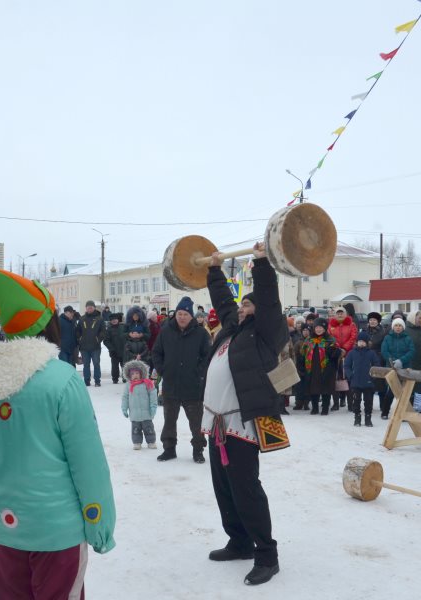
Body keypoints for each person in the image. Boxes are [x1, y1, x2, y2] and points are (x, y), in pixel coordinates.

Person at [0, 266, 116, 596]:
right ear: (49, 322)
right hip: (55, 532)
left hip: (4, 530)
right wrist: (99, 524)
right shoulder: (62, 379)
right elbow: (88, 463)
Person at [201, 242, 286, 586]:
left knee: (246, 490)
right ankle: (239, 542)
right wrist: (214, 269)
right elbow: (223, 300)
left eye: (247, 303)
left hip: (244, 423)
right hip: (218, 425)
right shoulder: (231, 330)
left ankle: (266, 554)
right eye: (241, 303)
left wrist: (262, 261)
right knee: (224, 489)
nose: (241, 307)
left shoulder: (266, 334)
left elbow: (267, 297)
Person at [152, 296, 211, 463]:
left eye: (185, 314)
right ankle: (169, 449)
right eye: (179, 313)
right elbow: (156, 352)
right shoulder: (166, 331)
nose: (182, 317)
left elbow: (207, 356)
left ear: (191, 316)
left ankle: (198, 450)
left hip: (193, 386)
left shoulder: (200, 333)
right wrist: (163, 370)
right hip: (171, 385)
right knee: (169, 420)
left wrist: (198, 373)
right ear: (175, 314)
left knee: (196, 422)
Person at [298, 318, 340, 415]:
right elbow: (302, 353)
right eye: (317, 327)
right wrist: (302, 366)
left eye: (321, 327)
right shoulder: (309, 339)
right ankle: (315, 408)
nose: (319, 329)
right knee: (313, 388)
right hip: (312, 368)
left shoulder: (330, 339)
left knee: (326, 388)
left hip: (327, 368)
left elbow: (336, 354)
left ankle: (325, 408)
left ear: (325, 328)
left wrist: (333, 352)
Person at [343, 331, 381, 426]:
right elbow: (346, 366)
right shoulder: (352, 353)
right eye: (360, 341)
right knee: (356, 401)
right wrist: (350, 375)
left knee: (368, 401)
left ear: (367, 342)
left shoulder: (371, 353)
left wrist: (372, 377)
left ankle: (368, 418)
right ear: (357, 342)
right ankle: (357, 418)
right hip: (355, 382)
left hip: (368, 382)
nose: (362, 343)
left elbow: (377, 365)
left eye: (364, 341)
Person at [380, 318, 415, 418]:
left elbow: (411, 351)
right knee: (391, 391)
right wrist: (393, 361)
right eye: (396, 325)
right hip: (392, 368)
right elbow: (384, 351)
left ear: (403, 327)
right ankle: (385, 412)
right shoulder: (387, 338)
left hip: (405, 368)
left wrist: (401, 360)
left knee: (405, 392)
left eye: (400, 325)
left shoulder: (408, 338)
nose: (398, 327)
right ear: (393, 327)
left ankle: (404, 414)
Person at [121, 360, 159, 450]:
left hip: (147, 413)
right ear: (129, 375)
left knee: (149, 429)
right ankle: (137, 442)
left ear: (142, 373)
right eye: (133, 374)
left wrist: (153, 407)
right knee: (135, 430)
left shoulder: (147, 383)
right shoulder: (128, 385)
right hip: (135, 414)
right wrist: (124, 408)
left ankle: (151, 442)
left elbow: (153, 395)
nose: (135, 375)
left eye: (137, 373)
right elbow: (125, 397)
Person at [329, 307, 357, 410]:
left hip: (348, 354)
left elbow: (353, 337)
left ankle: (350, 404)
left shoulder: (351, 324)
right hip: (335, 354)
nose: (340, 315)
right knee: (335, 378)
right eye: (338, 313)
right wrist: (338, 349)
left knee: (348, 378)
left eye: (342, 313)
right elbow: (330, 338)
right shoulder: (331, 325)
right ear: (335, 315)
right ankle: (336, 403)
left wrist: (345, 348)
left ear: (345, 314)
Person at [77, 300, 106, 387]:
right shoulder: (82, 318)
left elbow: (103, 331)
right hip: (84, 347)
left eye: (91, 307)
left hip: (95, 347)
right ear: (86, 308)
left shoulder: (99, 318)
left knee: (96, 364)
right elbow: (78, 331)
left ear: (94, 308)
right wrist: (80, 339)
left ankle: (97, 381)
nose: (89, 309)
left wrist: (98, 339)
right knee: (86, 365)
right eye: (88, 307)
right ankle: (87, 381)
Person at [103, 312, 127, 383]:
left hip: (124, 350)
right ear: (110, 321)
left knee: (124, 365)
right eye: (112, 320)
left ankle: (125, 377)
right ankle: (115, 378)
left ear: (118, 320)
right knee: (114, 366)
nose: (114, 321)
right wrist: (111, 349)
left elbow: (127, 337)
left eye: (115, 319)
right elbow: (106, 341)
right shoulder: (109, 329)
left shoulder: (123, 327)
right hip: (114, 351)